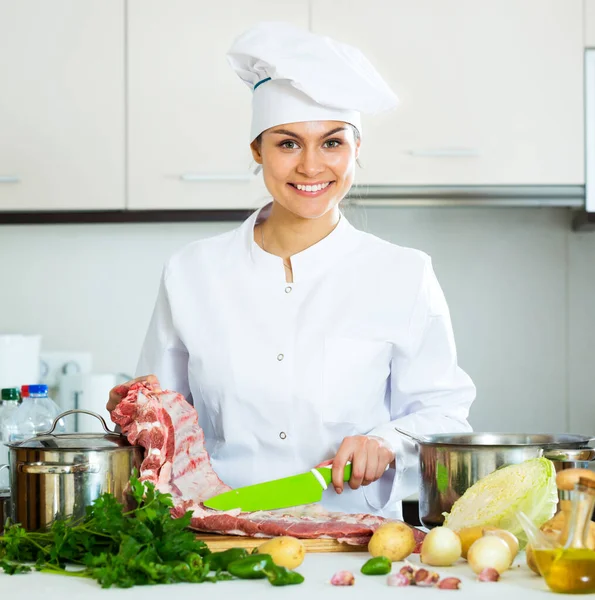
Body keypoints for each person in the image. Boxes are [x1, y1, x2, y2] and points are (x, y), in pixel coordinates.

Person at [107, 22, 475, 520]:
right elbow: (161, 416)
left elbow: (444, 413)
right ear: (257, 150)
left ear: (356, 149)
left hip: (355, 539)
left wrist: (386, 441)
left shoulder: (403, 273)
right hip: (217, 533)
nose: (310, 167)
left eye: (332, 143)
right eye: (287, 144)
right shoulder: (192, 272)